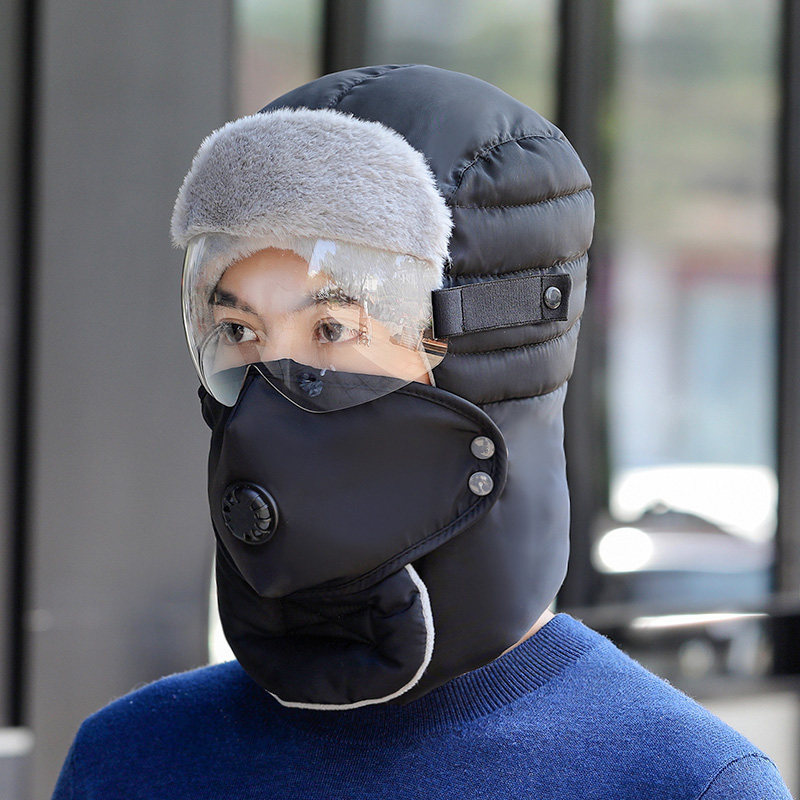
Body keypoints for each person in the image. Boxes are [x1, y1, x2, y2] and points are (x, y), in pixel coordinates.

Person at [52, 65, 792, 798]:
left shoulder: (681, 783)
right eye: (239, 330)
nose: (267, 397)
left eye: (332, 328)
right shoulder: (128, 760)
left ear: (486, 358)